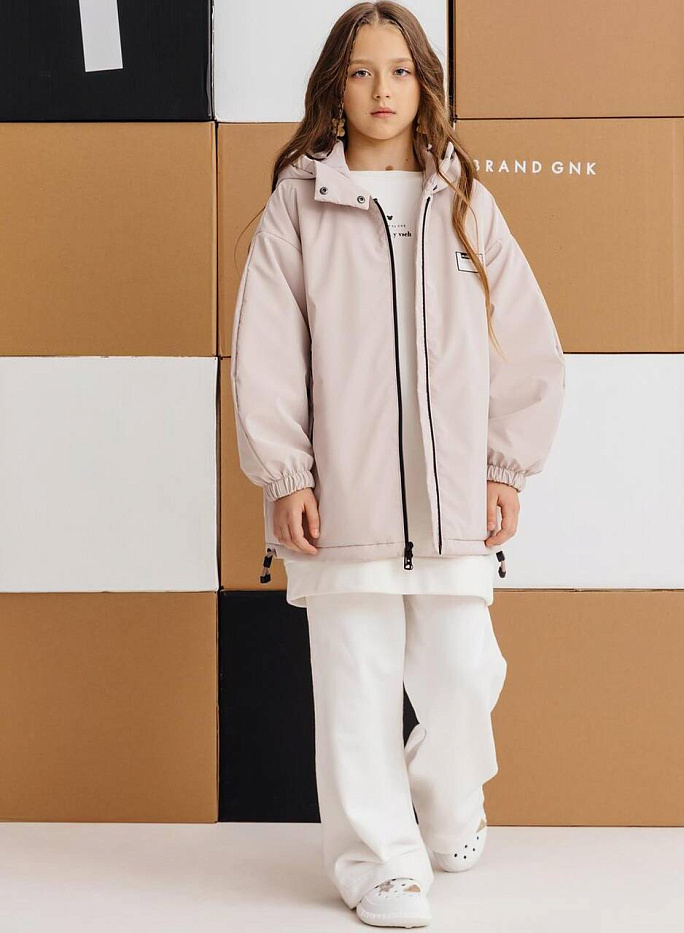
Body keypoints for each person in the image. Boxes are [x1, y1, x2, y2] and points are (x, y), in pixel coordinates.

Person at [230, 2, 565, 927]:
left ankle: (444, 804)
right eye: (362, 71)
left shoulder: (464, 202)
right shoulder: (297, 206)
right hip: (342, 503)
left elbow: (526, 343)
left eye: (401, 71)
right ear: (335, 90)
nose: (383, 89)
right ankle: (377, 861)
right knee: (355, 688)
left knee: (463, 675)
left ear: (425, 85)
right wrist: (288, 474)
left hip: (453, 504)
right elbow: (265, 354)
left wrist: (505, 464)